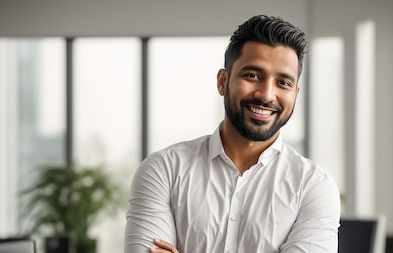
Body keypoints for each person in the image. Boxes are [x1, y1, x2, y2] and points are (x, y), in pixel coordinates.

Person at [124, 14, 341, 253]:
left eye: (283, 83)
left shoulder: (313, 187)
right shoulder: (163, 170)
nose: (267, 95)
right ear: (222, 81)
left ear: (295, 94)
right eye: (252, 76)